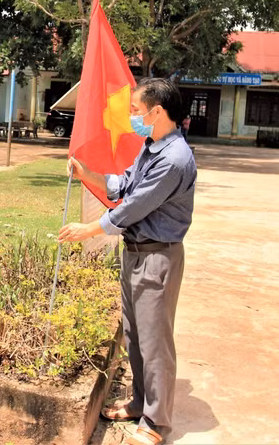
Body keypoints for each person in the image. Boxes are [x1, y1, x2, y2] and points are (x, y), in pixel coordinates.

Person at [58, 78, 196, 445]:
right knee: (135, 336)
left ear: (157, 111)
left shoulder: (174, 159)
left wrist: (89, 229)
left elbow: (134, 208)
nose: (132, 116)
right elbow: (124, 185)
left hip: (157, 257)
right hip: (136, 254)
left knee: (155, 343)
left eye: (136, 110)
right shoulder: (151, 147)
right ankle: (140, 402)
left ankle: (156, 423)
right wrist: (87, 172)